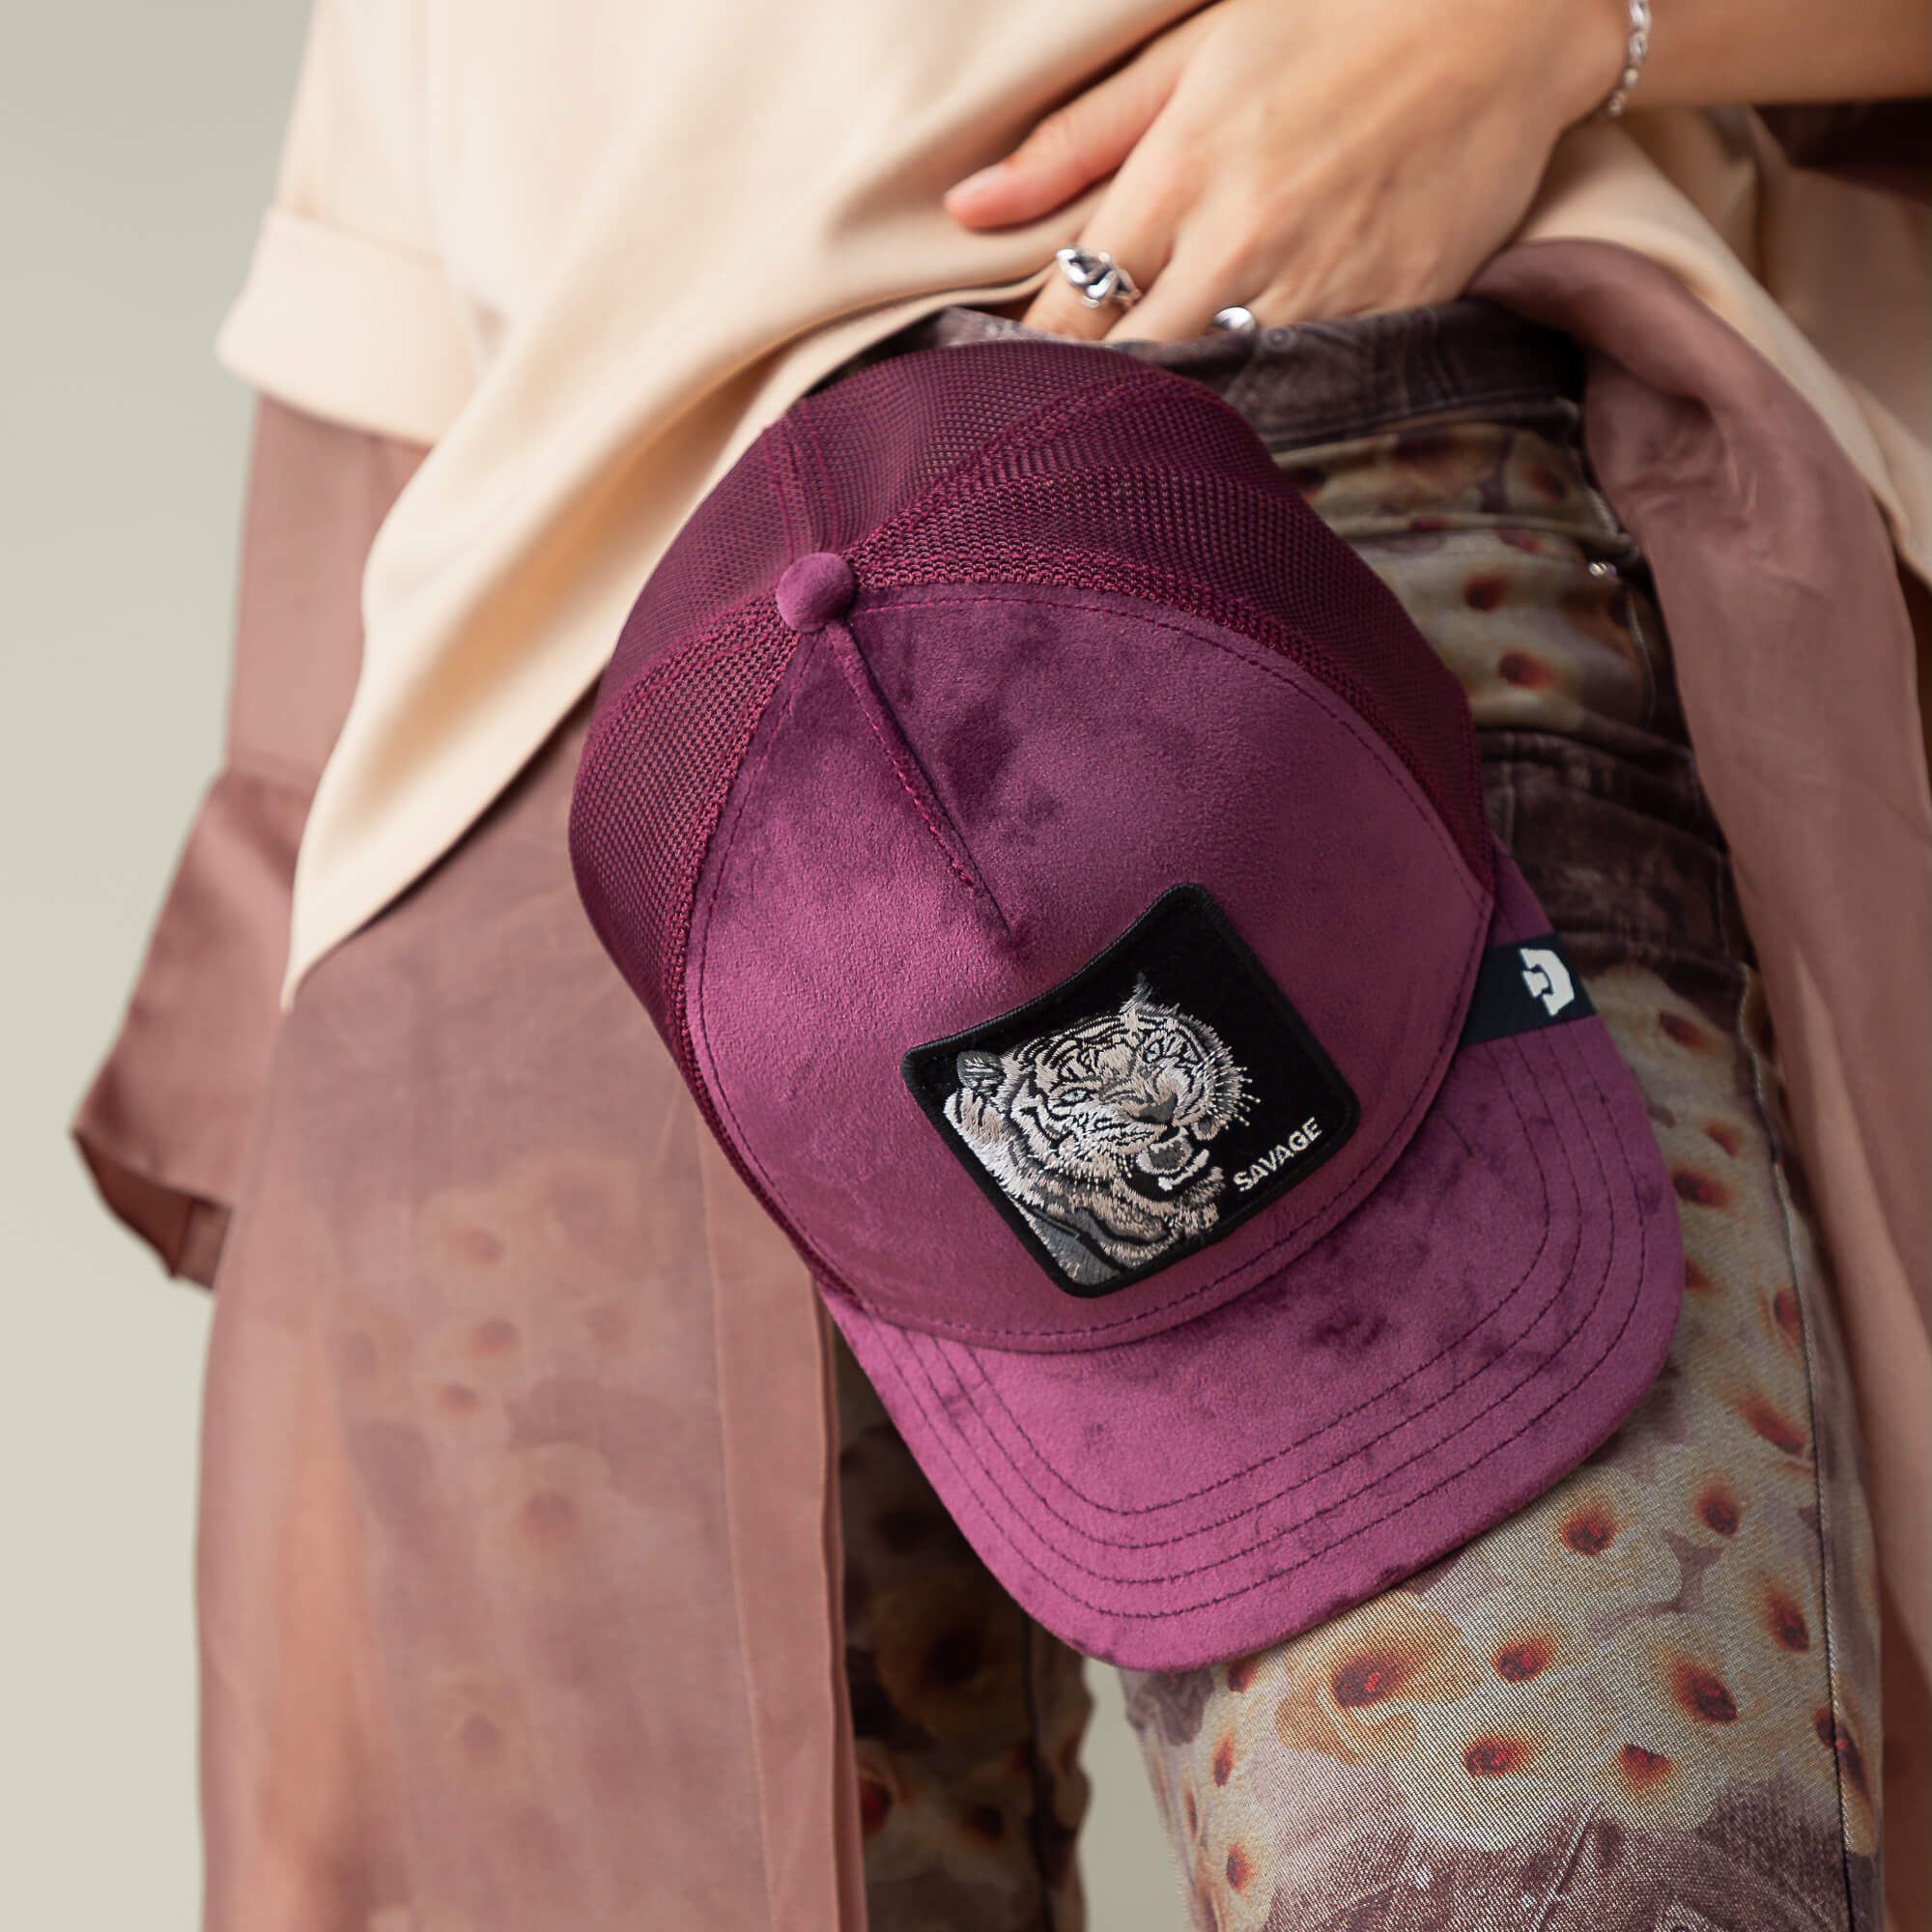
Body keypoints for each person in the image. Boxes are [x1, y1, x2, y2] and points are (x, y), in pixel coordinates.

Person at [73, 1, 1928, 1927]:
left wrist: (1549, 27)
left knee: (1588, 1872)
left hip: (1277, 581)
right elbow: (380, 379)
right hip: (566, 828)